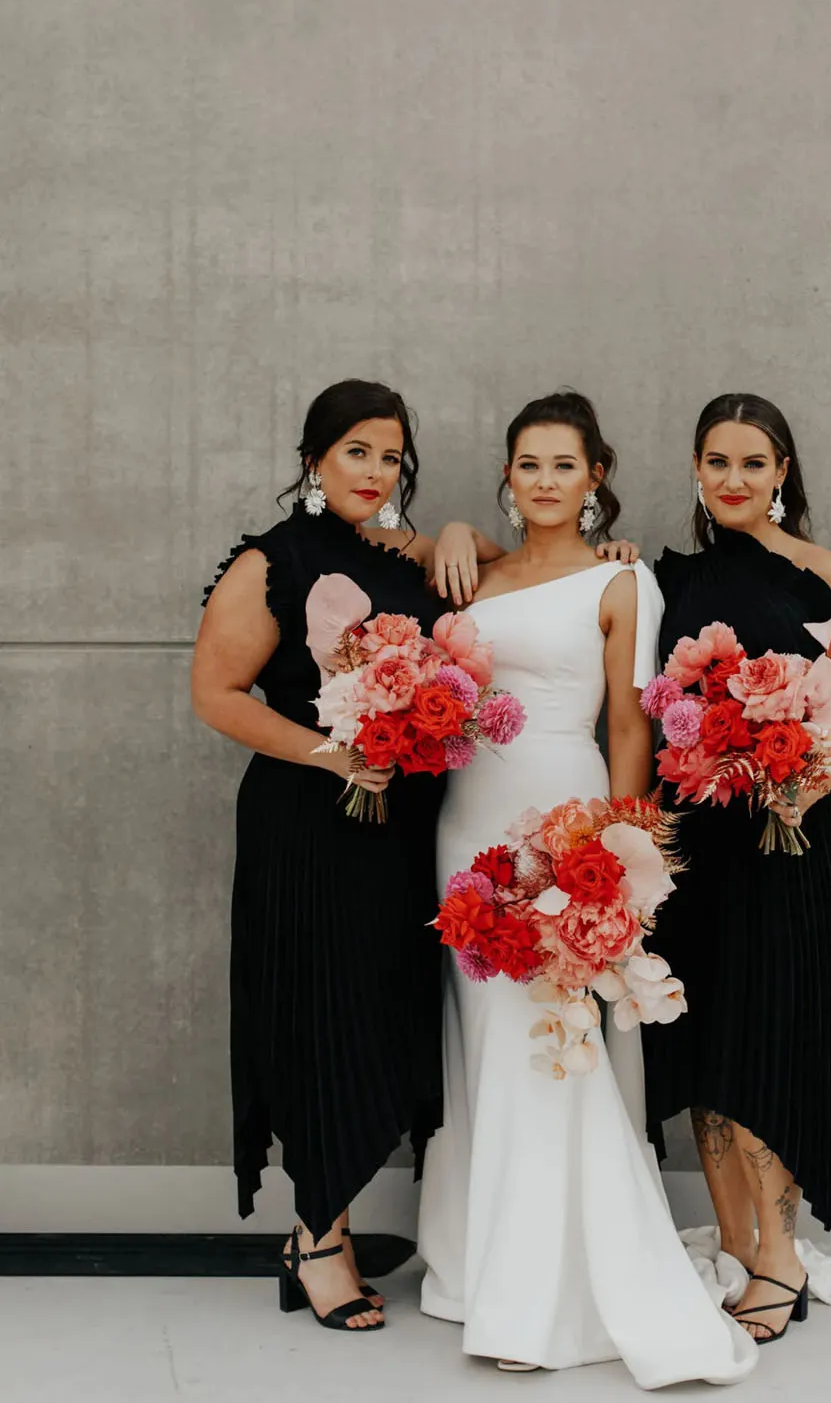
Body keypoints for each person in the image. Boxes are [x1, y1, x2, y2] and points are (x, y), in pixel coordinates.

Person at [417, 391, 757, 1387]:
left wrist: (613, 856)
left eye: (563, 465)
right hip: (463, 824)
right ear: (508, 475)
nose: (544, 481)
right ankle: (481, 1262)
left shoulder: (624, 583)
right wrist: (446, 531)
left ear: (595, 476)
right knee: (482, 1038)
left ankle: (547, 1295)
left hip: (562, 822)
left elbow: (626, 727)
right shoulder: (474, 570)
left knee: (550, 1042)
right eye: (527, 464)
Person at [192, 378, 487, 1331]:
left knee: (383, 1017)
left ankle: (330, 1221)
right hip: (309, 829)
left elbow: (490, 558)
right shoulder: (268, 561)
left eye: (392, 455)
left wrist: (448, 530)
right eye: (357, 450)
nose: (375, 470)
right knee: (322, 1016)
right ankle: (320, 1237)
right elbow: (219, 694)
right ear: (314, 457)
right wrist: (340, 754)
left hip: (401, 839)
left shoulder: (398, 554)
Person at [643, 393, 831, 1346]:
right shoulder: (666, 576)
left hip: (795, 838)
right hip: (698, 840)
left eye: (753, 461)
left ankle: (781, 1260)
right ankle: (741, 1246)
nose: (734, 479)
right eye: (717, 462)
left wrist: (804, 791)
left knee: (769, 1045)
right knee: (707, 1047)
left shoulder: (827, 576)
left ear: (782, 471)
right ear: (695, 471)